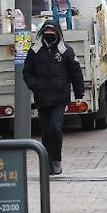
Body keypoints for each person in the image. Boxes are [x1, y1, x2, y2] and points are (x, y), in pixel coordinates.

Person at [23, 21, 84, 175]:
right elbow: (27, 72)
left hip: (60, 97)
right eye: (47, 31)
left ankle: (56, 160)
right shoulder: (34, 51)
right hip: (42, 97)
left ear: (58, 33)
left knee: (55, 127)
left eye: (52, 31)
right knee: (46, 131)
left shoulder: (66, 51)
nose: (49, 34)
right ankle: (47, 160)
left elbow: (76, 73)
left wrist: (79, 94)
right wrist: (34, 85)